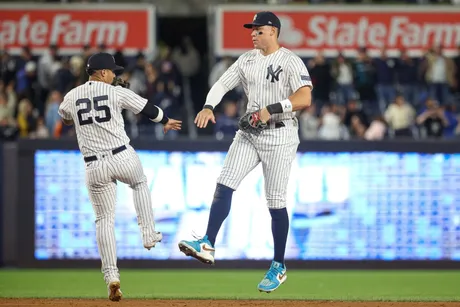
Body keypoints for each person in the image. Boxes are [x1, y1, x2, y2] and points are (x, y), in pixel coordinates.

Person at [178, 11, 312, 293]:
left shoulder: (290, 60)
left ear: (273, 31)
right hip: (250, 132)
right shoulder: (247, 59)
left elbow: (304, 97)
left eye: (258, 30)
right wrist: (208, 106)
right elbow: (222, 84)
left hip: (280, 134)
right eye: (251, 29)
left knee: (275, 202)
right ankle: (207, 243)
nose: (253, 33)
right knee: (224, 184)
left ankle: (278, 265)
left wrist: (271, 109)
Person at [57, 52, 182, 301]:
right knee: (139, 183)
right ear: (102, 73)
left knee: (104, 219)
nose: (115, 75)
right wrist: (166, 121)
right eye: (112, 71)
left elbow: (66, 117)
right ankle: (148, 233)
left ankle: (112, 277)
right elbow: (148, 108)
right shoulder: (116, 92)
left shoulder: (71, 96)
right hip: (121, 156)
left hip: (94, 165)